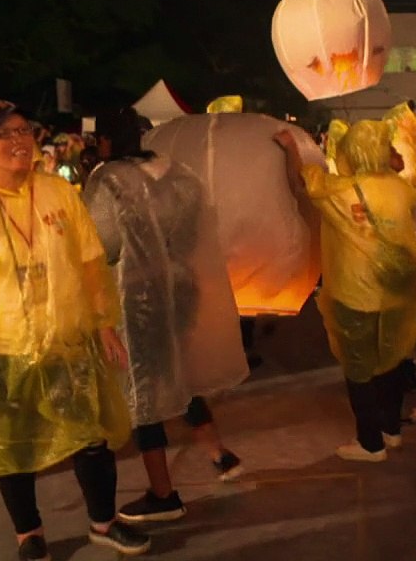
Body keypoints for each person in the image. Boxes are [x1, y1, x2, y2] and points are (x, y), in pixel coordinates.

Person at [0, 100, 149, 559]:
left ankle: (103, 521)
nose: (18, 141)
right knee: (12, 448)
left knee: (90, 439)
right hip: (4, 350)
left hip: (68, 345)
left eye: (23, 130)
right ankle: (28, 535)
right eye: (3, 134)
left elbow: (92, 263)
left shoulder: (58, 193)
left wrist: (104, 324)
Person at [83, 107, 248, 523]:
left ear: (104, 141)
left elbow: (102, 245)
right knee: (179, 370)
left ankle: (163, 493)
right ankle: (218, 452)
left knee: (143, 391)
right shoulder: (174, 171)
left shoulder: (110, 179)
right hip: (182, 287)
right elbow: (194, 228)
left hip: (137, 295)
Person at [274, 120, 416, 462]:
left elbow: (299, 182)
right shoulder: (401, 189)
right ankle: (391, 430)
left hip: (356, 293)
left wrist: (290, 147)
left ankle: (370, 442)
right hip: (400, 289)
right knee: (392, 359)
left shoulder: (337, 190)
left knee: (359, 367)